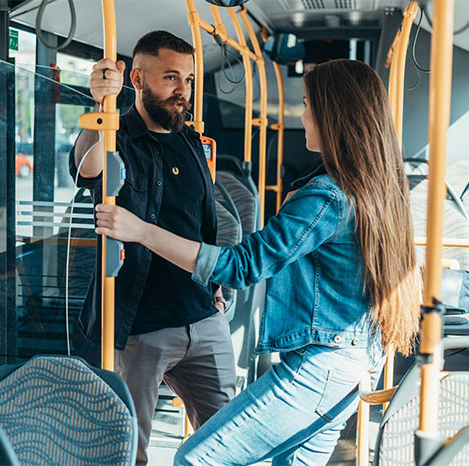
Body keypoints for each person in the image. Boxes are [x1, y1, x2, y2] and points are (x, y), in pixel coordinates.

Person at [95, 58, 421, 465]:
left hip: (317, 369)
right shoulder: (380, 187)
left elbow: (240, 266)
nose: (302, 117)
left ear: (332, 115)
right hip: (354, 363)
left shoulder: (326, 197)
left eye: (306, 105)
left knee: (195, 458)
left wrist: (141, 231)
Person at [69, 30, 236, 465]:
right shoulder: (115, 134)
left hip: (201, 316)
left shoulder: (191, 139)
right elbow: (85, 167)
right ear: (138, 79)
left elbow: (203, 221)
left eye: (189, 80)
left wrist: (215, 286)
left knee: (229, 437)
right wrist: (98, 104)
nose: (183, 91)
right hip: (139, 326)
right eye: (170, 78)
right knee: (130, 448)